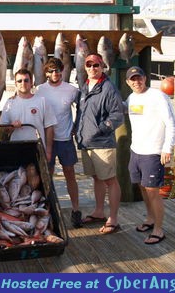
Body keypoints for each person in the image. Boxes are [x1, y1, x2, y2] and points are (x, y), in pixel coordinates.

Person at [125, 66, 175, 244]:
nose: (136, 81)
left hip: (153, 153)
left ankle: (159, 229)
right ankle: (150, 218)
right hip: (136, 151)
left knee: (153, 191)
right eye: (132, 79)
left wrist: (167, 148)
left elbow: (172, 123)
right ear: (127, 82)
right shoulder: (131, 98)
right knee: (142, 187)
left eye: (139, 78)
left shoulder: (158, 96)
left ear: (145, 78)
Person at [75, 53, 124, 234]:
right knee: (96, 178)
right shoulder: (84, 87)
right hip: (86, 143)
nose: (92, 68)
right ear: (84, 67)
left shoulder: (108, 88)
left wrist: (101, 129)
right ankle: (98, 211)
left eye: (96, 65)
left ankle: (113, 218)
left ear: (102, 66)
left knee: (110, 180)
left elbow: (117, 115)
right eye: (89, 64)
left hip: (102, 143)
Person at [34, 58, 82, 228]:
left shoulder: (71, 90)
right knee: (47, 176)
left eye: (58, 70)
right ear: (46, 73)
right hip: (47, 141)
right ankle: (47, 210)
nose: (55, 74)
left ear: (63, 70)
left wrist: (77, 127)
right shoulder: (39, 90)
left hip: (65, 139)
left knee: (70, 174)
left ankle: (76, 210)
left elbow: (83, 110)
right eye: (51, 71)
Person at [0, 68, 57, 162]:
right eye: (19, 81)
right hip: (15, 149)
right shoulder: (9, 103)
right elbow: (3, 129)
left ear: (31, 82)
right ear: (15, 84)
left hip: (37, 149)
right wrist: (12, 127)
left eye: (26, 80)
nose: (23, 83)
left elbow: (49, 127)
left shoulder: (42, 101)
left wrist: (48, 151)